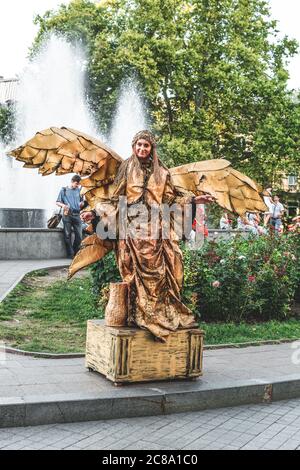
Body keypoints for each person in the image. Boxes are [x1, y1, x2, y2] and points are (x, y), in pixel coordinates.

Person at [81, 130, 215, 341]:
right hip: (132, 229)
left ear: (152, 148)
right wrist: (95, 212)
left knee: (168, 267)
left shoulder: (162, 172)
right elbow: (117, 198)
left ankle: (159, 312)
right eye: (139, 145)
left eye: (146, 145)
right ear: (134, 147)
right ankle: (138, 313)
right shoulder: (126, 167)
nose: (142, 149)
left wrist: (195, 200)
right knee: (133, 274)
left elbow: (171, 199)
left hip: (156, 229)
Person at [56, 175, 84, 258]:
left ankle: (76, 252)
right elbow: (57, 202)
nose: (77, 185)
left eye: (78, 184)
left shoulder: (79, 191)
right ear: (72, 181)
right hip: (67, 215)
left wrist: (81, 204)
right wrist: (63, 206)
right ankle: (70, 254)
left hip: (77, 215)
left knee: (79, 236)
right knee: (67, 235)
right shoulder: (64, 190)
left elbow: (81, 202)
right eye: (76, 184)